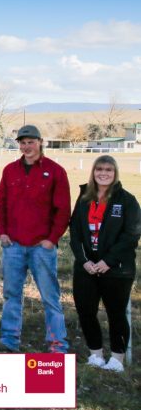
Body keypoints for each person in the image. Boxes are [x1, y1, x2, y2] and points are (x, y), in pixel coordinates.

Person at [0, 124, 71, 353]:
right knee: (11, 294)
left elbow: (63, 210)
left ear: (40, 142)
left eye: (31, 142)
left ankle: (58, 343)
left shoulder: (55, 171)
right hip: (14, 245)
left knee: (50, 296)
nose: (26, 146)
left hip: (42, 246)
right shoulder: (10, 170)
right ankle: (9, 340)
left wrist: (52, 239)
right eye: (22, 142)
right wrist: (2, 232)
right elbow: (2, 204)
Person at [69, 156, 140, 372]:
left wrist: (107, 261)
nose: (103, 173)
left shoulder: (127, 200)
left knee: (116, 313)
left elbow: (131, 235)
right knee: (85, 310)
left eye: (108, 169)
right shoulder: (84, 198)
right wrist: (84, 262)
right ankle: (96, 354)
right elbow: (75, 232)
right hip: (87, 268)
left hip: (116, 269)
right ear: (93, 172)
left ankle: (117, 359)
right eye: (99, 169)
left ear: (115, 172)